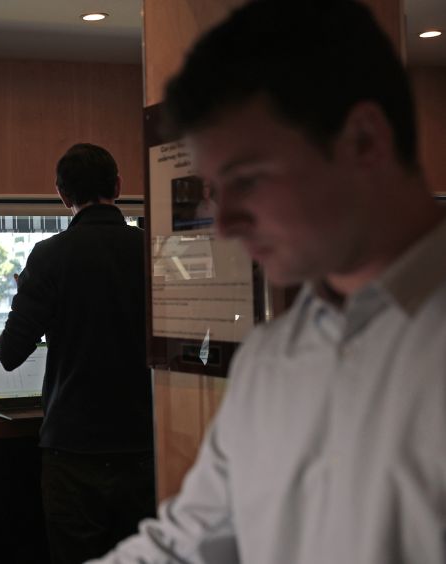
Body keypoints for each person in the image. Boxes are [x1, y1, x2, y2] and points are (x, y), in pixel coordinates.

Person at [95, 1, 446, 563]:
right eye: (213, 189)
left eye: (247, 179)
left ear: (363, 140)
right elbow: (191, 545)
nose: (225, 222)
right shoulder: (271, 357)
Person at [0, 143, 154, 563]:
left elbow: (10, 353)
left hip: (73, 451)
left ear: (63, 195)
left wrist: (28, 296)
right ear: (118, 186)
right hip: (144, 446)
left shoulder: (49, 257)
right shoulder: (151, 250)